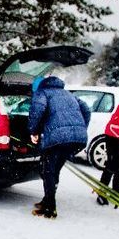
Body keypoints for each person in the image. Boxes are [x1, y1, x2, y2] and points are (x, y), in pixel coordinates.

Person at [28, 76, 91, 218]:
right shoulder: (68, 94)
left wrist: (33, 131)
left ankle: (50, 208)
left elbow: (36, 112)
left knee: (48, 171)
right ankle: (47, 200)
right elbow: (86, 110)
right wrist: (80, 127)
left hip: (57, 139)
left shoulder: (42, 93)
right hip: (76, 139)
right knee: (54, 170)